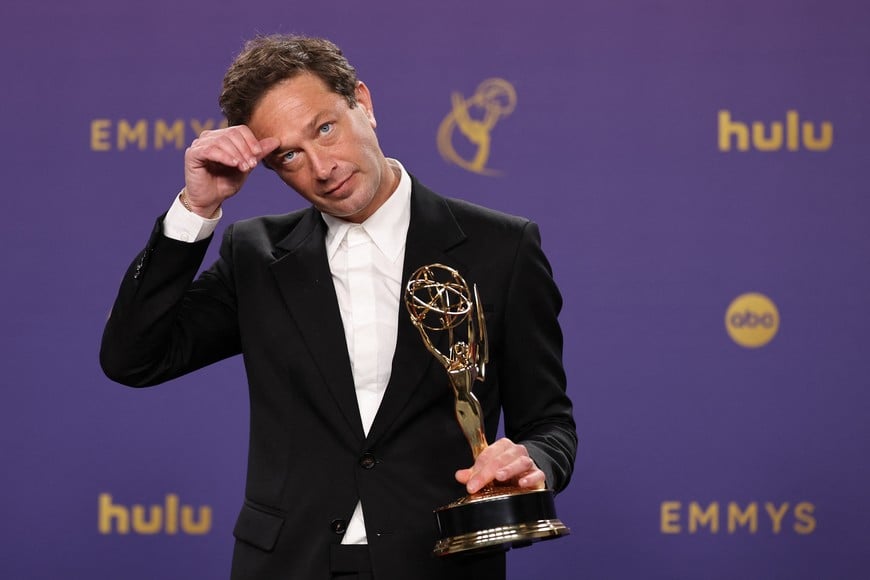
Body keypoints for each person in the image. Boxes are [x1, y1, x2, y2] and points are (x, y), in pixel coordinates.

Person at [100, 34, 576, 580]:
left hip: (438, 561)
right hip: (287, 564)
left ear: (363, 103)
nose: (322, 167)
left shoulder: (502, 247)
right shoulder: (256, 255)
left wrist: (531, 462)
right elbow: (133, 359)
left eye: (325, 128)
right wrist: (196, 209)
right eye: (289, 155)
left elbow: (549, 422)